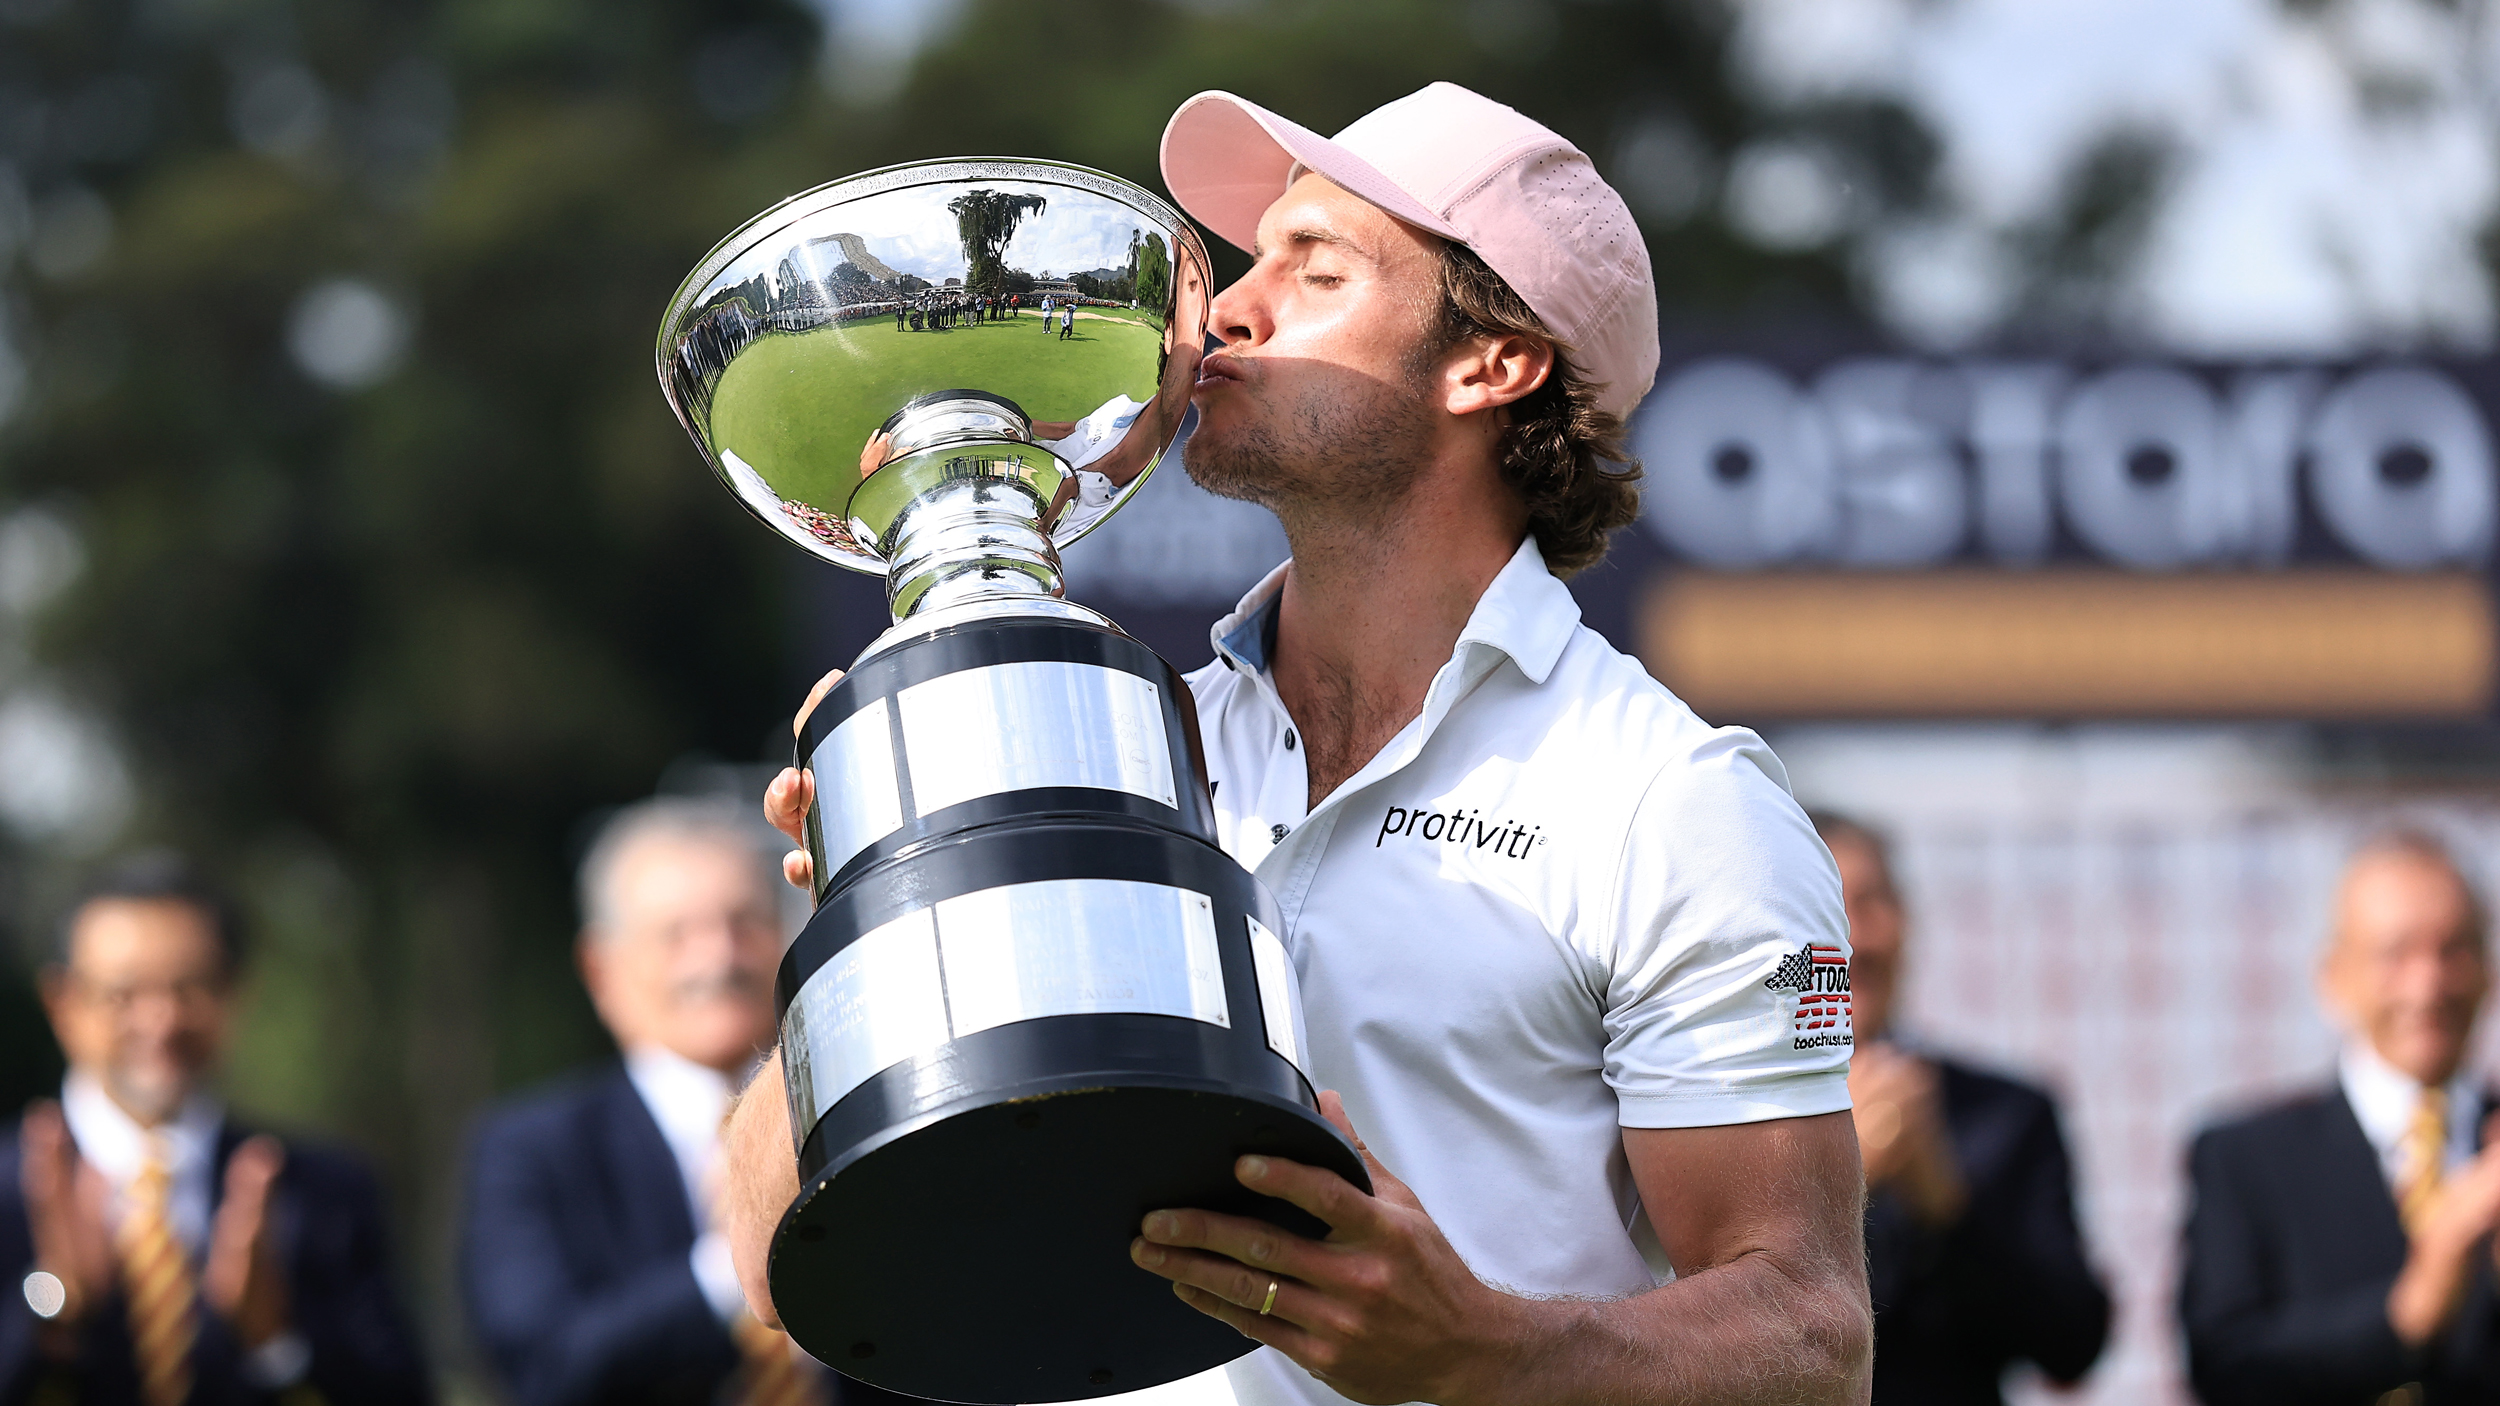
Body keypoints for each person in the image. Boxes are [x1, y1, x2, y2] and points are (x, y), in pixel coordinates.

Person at [726, 81, 1872, 1406]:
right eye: (1252, 256)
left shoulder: (1668, 799)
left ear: (1490, 364)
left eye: (1314, 269)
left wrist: (1488, 1351)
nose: (1224, 307)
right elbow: (773, 1263)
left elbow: (1810, 1335)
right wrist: (874, 887)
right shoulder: (1123, 746)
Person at [461, 799, 911, 1406]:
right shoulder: (532, 1151)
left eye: (743, 923)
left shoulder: (874, 1113)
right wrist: (748, 1256)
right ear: (601, 971)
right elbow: (547, 1365)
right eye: (676, 935)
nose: (718, 958)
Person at [0, 852, 431, 1406]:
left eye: (190, 988)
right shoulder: (12, 1189)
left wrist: (275, 1342)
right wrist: (52, 1302)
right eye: (123, 994)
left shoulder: (325, 1195)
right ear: (62, 1003)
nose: (161, 1021)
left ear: (236, 994)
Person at [2181, 830, 2500, 1405]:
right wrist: (2409, 1311)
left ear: (2488, 970)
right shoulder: (2249, 1158)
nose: (2427, 985)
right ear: (2334, 976)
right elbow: (2226, 1367)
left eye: (2453, 949)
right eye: (2395, 954)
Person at [1814, 813, 2110, 1404]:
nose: (1853, 940)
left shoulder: (2005, 1114)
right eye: (1824, 905)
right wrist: (1843, 1182)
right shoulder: (1719, 1115)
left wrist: (1946, 1204)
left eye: (1872, 903)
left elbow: (2072, 1344)